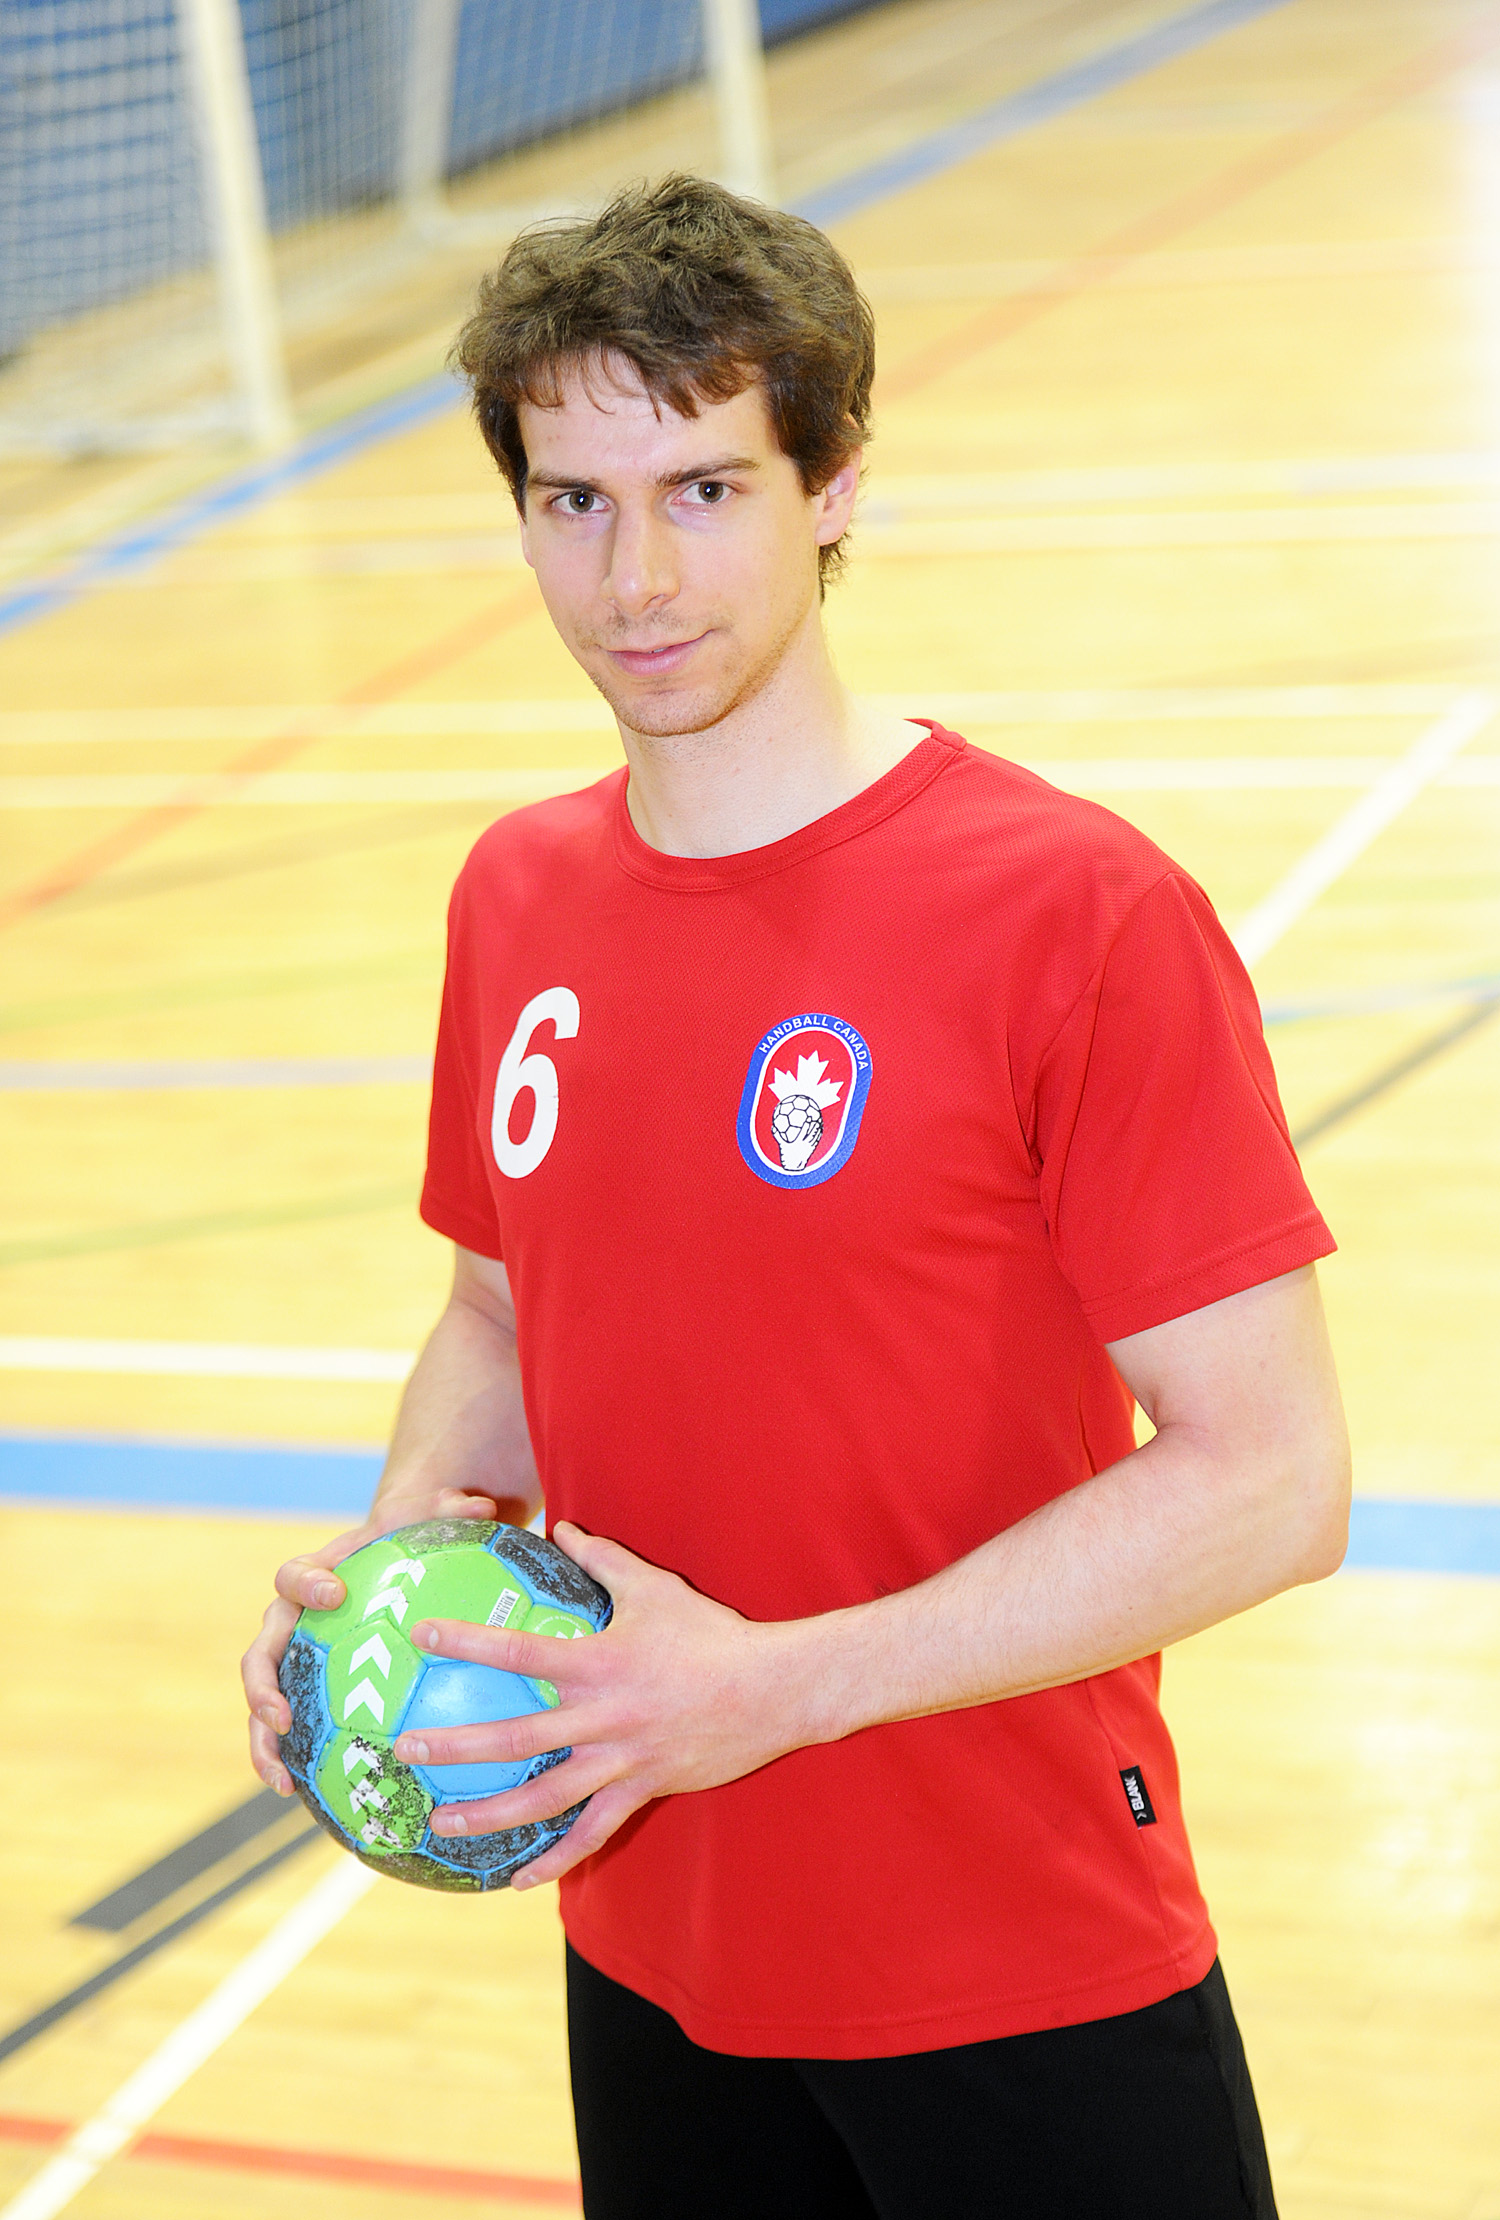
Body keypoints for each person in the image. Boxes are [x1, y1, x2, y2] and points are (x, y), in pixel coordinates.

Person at [242, 174, 1350, 2219]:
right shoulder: (517, 894)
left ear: (834, 487)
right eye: (575, 503)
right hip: (645, 1931)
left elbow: (1272, 1482)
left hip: (1016, 1956)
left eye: (706, 490)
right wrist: (400, 1555)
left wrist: (770, 1689)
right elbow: (497, 1311)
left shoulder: (1073, 912)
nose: (638, 578)